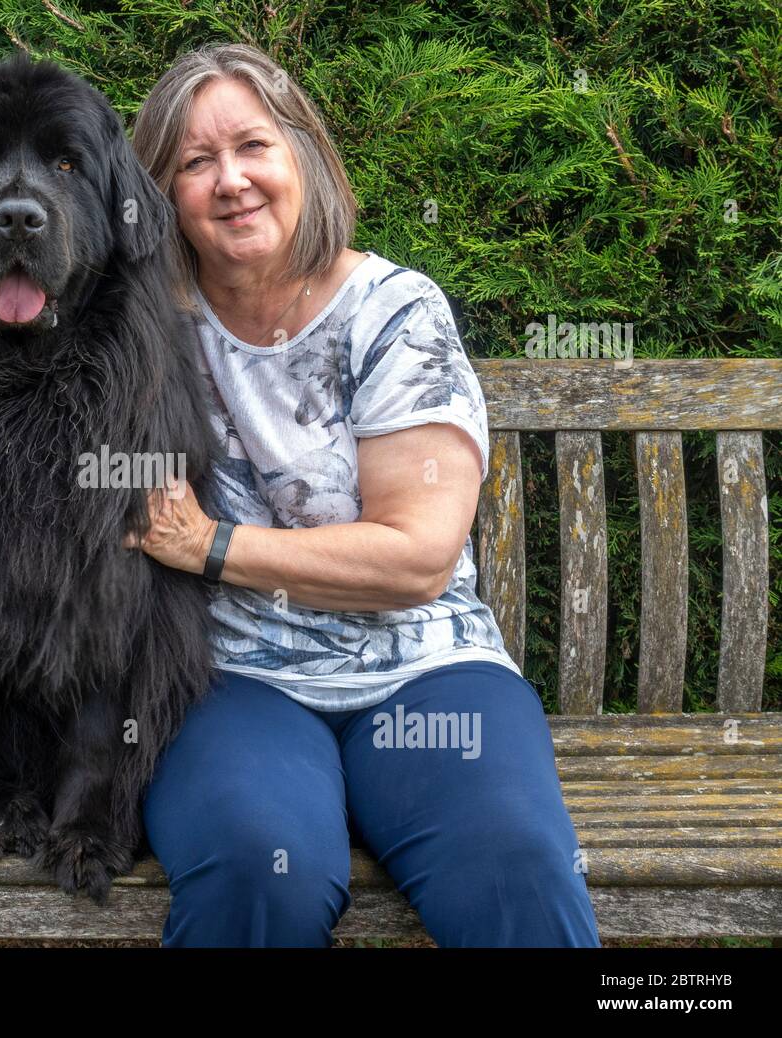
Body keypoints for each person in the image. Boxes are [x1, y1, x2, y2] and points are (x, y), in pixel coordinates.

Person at [122, 43, 602, 947]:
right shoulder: (147, 323)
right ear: (162, 195)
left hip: (425, 670)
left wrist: (212, 546)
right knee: (257, 864)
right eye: (195, 163)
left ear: (303, 155)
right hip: (232, 679)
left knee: (516, 864)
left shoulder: (393, 315)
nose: (231, 181)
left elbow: (417, 557)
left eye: (253, 147)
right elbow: (4, 389)